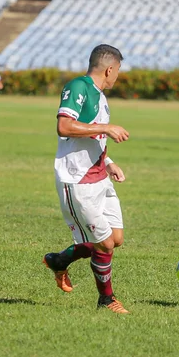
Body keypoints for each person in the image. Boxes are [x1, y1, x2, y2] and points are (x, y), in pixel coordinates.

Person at [43, 44, 131, 314]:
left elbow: (93, 137)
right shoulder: (78, 87)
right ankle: (106, 300)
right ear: (109, 69)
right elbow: (64, 126)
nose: (118, 76)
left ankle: (59, 260)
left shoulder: (101, 97)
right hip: (77, 180)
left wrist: (109, 162)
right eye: (118, 71)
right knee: (104, 244)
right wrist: (107, 127)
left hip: (99, 176)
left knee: (115, 238)